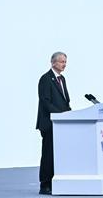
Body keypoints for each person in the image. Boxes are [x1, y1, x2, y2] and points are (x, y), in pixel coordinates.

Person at [36, 52, 71, 195]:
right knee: (48, 154)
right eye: (62, 61)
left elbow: (65, 102)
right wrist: (60, 115)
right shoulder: (46, 79)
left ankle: (55, 182)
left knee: (59, 155)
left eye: (65, 62)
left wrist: (70, 115)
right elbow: (45, 102)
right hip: (49, 123)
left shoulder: (62, 79)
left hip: (61, 123)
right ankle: (45, 185)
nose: (64, 64)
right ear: (53, 62)